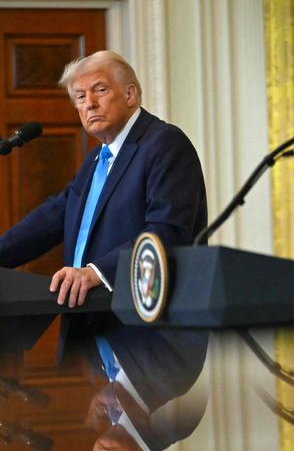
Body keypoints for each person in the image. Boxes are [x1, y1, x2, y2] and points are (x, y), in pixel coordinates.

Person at [0, 50, 207, 308]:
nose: (89, 103)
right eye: (80, 96)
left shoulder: (164, 143)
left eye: (100, 90)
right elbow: (55, 215)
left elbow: (167, 231)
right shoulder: (98, 158)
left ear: (130, 95)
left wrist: (96, 273)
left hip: (141, 322)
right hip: (86, 316)